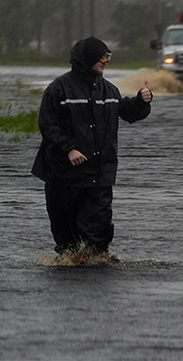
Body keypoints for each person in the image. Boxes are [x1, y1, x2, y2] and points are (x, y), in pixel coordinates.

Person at [31, 37, 153, 257]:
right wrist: (68, 149)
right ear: (87, 59)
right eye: (103, 57)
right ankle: (70, 266)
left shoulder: (110, 91)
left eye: (108, 58)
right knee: (67, 240)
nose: (106, 62)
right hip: (63, 175)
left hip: (99, 175)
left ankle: (96, 265)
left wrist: (141, 102)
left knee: (97, 236)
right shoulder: (58, 89)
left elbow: (128, 112)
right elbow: (47, 124)